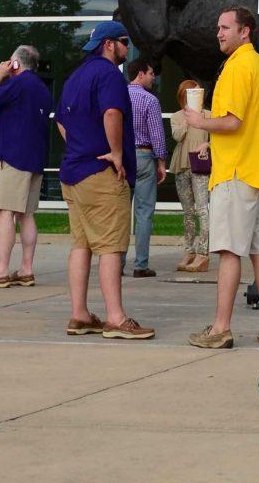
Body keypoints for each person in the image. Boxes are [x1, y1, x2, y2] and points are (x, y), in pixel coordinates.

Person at [185, 7, 259, 349]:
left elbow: (233, 120)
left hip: (236, 172)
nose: (219, 33)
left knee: (229, 251)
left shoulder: (237, 67)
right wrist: (215, 143)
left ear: (246, 32)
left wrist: (200, 123)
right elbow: (251, 122)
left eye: (226, 27)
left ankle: (220, 328)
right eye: (218, 27)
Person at [57, 19, 154, 339]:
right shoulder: (109, 74)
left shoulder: (76, 76)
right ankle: (115, 318)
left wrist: (79, 143)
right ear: (110, 45)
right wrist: (114, 152)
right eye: (126, 43)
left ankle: (80, 314)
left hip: (72, 172)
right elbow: (112, 112)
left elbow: (60, 120)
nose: (129, 50)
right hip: (100, 173)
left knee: (81, 244)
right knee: (112, 246)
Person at [0, 45, 51, 288]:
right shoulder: (41, 87)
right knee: (26, 214)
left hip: (14, 155)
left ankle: (1, 271)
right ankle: (26, 269)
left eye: (10, 62)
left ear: (16, 63)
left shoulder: (17, 84)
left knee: (4, 212)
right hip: (35, 157)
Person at [127, 57, 167, 279]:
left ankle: (117, 261)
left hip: (122, 156)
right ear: (140, 74)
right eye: (151, 73)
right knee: (144, 213)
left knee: (121, 213)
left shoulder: (119, 95)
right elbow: (157, 134)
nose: (154, 77)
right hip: (143, 155)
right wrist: (161, 161)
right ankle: (140, 264)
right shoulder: (149, 100)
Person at [169, 79, 210, 274]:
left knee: (202, 209)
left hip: (200, 165)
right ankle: (189, 250)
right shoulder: (177, 116)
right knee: (188, 212)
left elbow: (218, 140)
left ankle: (203, 252)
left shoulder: (208, 116)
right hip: (181, 165)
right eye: (191, 93)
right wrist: (188, 118)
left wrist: (208, 145)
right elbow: (177, 136)